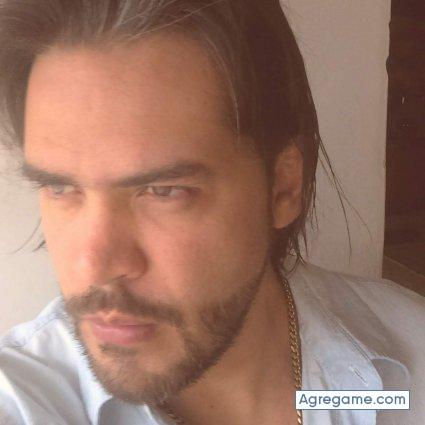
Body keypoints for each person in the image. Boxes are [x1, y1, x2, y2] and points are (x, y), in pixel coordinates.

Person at [0, 0, 423, 424]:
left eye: (164, 191)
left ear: (282, 187)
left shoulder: (412, 359)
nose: (93, 267)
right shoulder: (22, 401)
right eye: (60, 188)